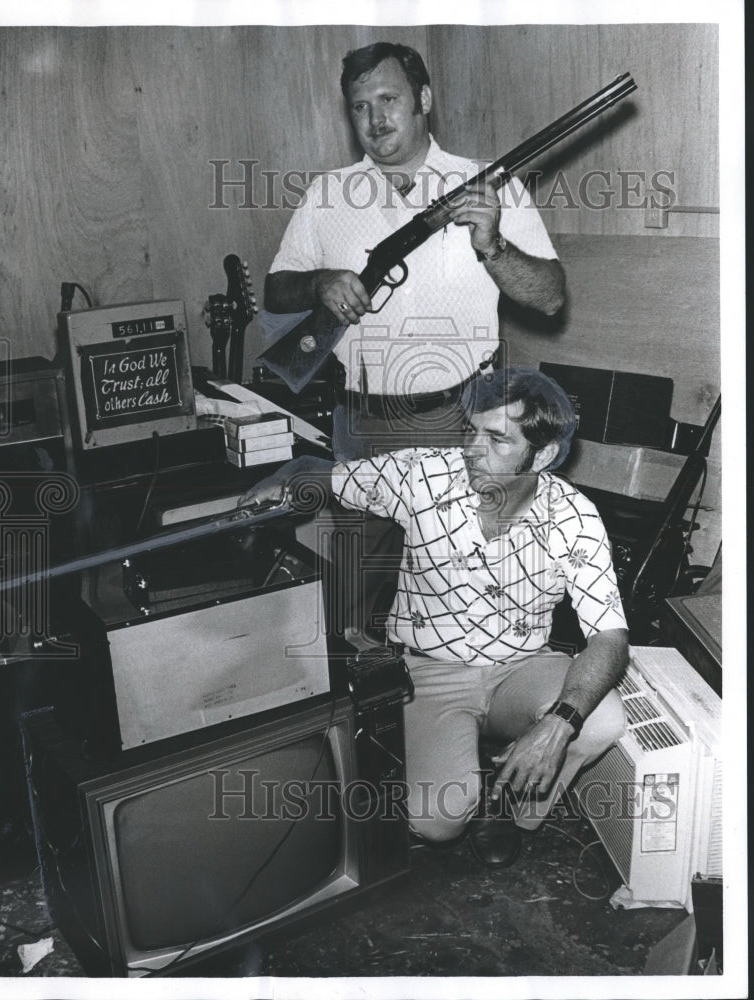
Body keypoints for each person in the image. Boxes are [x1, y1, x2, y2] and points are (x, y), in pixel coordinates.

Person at [240, 367, 628, 867]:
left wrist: (558, 723)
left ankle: (514, 797)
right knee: (435, 820)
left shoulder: (575, 519)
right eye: (470, 429)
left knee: (600, 720)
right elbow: (321, 472)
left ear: (545, 454)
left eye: (496, 438)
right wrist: (276, 482)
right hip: (429, 671)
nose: (471, 447)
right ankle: (468, 780)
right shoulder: (423, 476)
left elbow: (610, 639)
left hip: (521, 668)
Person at [262, 41, 566, 643]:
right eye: (360, 106)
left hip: (458, 421)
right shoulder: (328, 196)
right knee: (347, 598)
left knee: (459, 599)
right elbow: (275, 290)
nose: (376, 121)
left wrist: (493, 245)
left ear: (423, 99)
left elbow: (551, 296)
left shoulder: (487, 189)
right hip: (363, 425)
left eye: (390, 99)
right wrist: (320, 284)